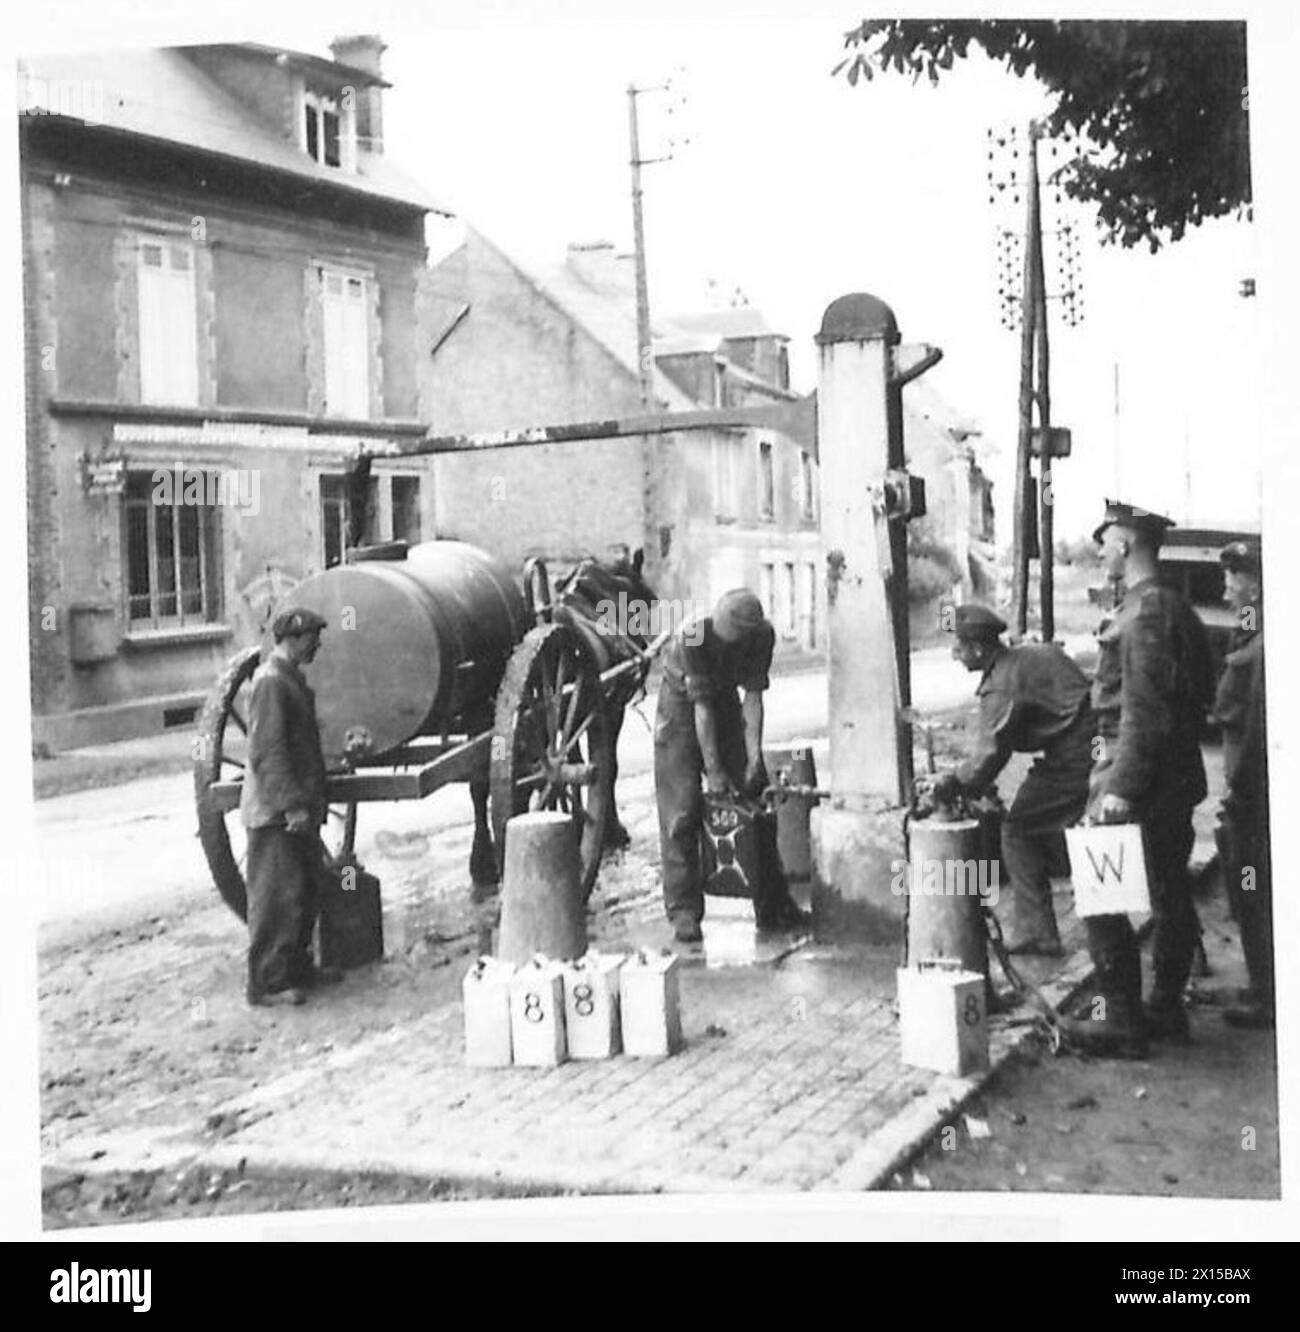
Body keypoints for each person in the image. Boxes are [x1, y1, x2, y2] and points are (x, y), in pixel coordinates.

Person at [1062, 501, 1214, 1058]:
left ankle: (1123, 1019)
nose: (1100, 551)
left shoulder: (1145, 614)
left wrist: (1120, 789)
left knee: (1099, 893)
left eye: (1105, 541)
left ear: (1125, 543)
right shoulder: (1175, 607)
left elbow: (1143, 711)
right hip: (1172, 778)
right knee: (1170, 890)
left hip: (1138, 777)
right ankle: (1166, 1009)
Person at [931, 603, 1094, 956]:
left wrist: (952, 782)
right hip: (1092, 743)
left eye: (959, 647)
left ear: (978, 649)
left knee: (1018, 830)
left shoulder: (1001, 684)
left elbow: (989, 755)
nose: (955, 655)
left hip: (1076, 754)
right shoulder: (1026, 654)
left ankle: (1039, 933)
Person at [653, 588, 809, 943]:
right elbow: (700, 709)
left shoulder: (762, 636)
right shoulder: (694, 634)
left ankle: (774, 906)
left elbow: (752, 699)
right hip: (680, 707)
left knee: (757, 799)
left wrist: (754, 758)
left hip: (723, 701)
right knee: (681, 809)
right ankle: (683, 911)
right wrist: (715, 771)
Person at [240, 606, 339, 1007]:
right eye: (313, 637)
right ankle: (266, 983)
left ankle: (298, 968)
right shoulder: (271, 682)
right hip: (275, 811)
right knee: (276, 897)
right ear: (294, 638)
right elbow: (270, 751)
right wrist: (291, 805)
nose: (318, 645)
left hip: (295, 806)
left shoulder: (288, 678)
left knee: (302, 889)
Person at [1212, 540, 1272, 1029]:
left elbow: (1256, 729)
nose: (1226, 587)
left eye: (1235, 577)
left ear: (1256, 582)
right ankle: (1261, 983)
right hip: (1250, 795)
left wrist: (1243, 793)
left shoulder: (1265, 644)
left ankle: (1269, 994)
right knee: (1248, 889)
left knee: (1255, 891)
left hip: (1255, 800)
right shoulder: (1251, 631)